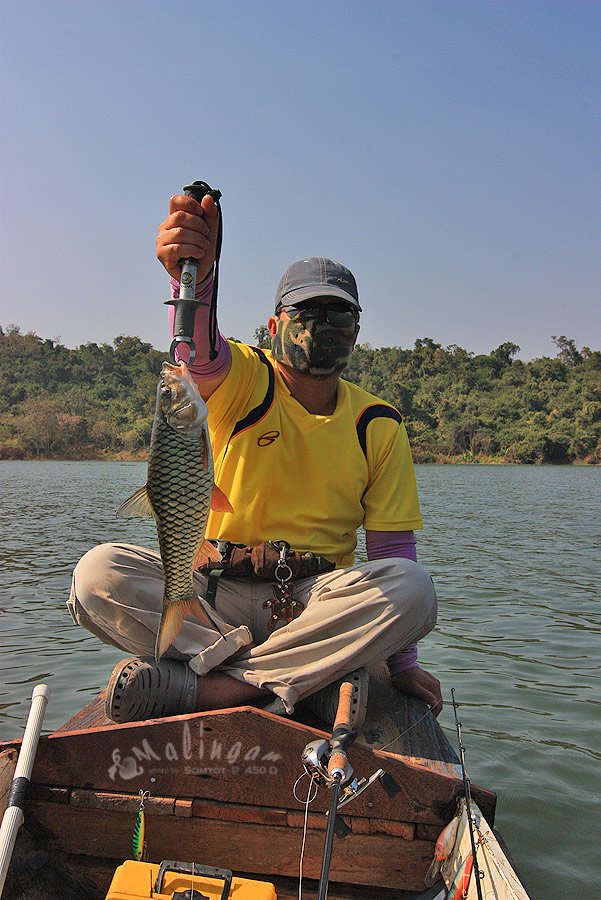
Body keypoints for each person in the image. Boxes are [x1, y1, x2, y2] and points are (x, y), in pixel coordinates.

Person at [68, 191, 442, 727]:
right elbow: (197, 351)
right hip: (212, 592)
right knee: (97, 575)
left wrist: (402, 661)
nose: (323, 325)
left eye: (340, 314)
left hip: (312, 604)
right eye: (306, 311)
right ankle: (295, 681)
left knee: (415, 592)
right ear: (273, 325)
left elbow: (392, 551)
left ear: (357, 331)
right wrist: (194, 274)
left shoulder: (376, 423)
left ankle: (216, 687)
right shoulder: (245, 377)